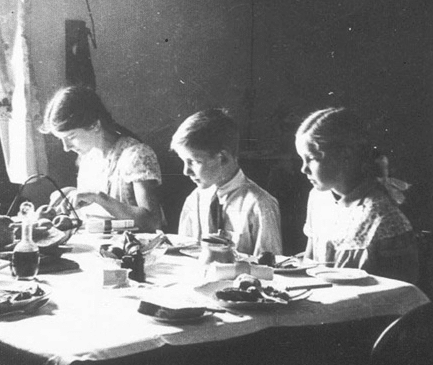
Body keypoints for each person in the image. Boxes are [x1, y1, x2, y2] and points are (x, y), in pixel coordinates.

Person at [295, 106, 418, 282]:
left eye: (312, 158)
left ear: (345, 155)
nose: (303, 169)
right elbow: (309, 263)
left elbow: (401, 293)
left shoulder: (384, 216)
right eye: (302, 159)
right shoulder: (318, 199)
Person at [41, 85, 165, 232]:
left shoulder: (135, 155)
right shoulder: (88, 158)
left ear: (95, 125)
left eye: (71, 137)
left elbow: (153, 222)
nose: (66, 148)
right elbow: (91, 205)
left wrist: (99, 198)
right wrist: (70, 193)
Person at [170, 108, 282, 257]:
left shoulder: (259, 205)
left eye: (194, 162)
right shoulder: (193, 200)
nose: (186, 171)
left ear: (222, 157)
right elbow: (184, 257)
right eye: (184, 162)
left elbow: (269, 268)